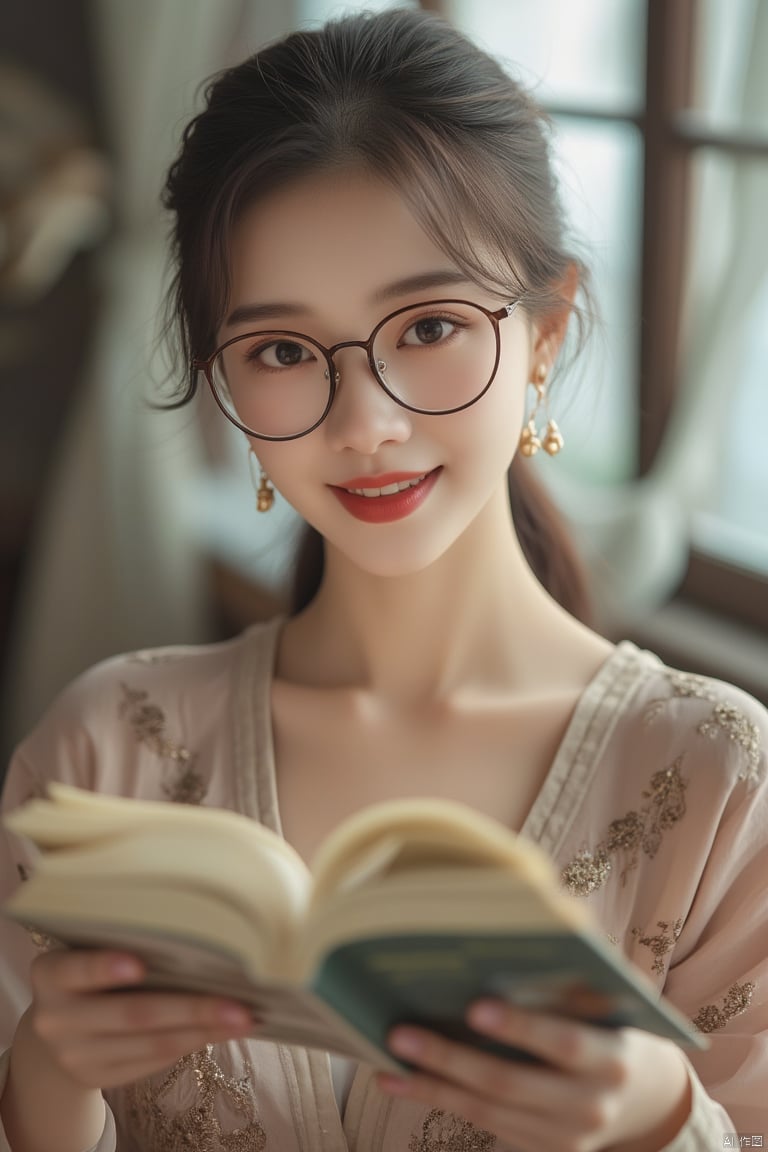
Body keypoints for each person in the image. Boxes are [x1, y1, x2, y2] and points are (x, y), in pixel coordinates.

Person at [0, 8, 766, 1151]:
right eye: (281, 351)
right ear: (224, 382)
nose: (366, 423)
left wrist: (660, 1120)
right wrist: (47, 1084)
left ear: (546, 330)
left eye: (431, 328)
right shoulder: (104, 748)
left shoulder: (722, 785)